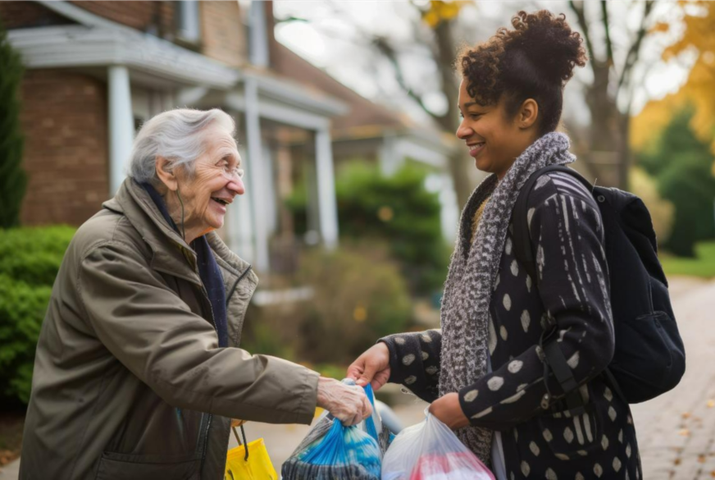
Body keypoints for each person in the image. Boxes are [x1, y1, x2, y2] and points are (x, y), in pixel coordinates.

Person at [348, 10, 642, 479]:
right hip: (509, 456)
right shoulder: (493, 205)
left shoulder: (554, 199)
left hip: (570, 461)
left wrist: (471, 405)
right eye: (463, 114)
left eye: (476, 114)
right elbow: (490, 343)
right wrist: (395, 354)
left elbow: (585, 338)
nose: (462, 129)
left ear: (526, 113)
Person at [20, 108, 371, 480]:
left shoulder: (188, 247)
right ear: (168, 170)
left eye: (238, 169)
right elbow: (186, 363)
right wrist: (316, 388)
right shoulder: (109, 249)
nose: (238, 185)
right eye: (223, 165)